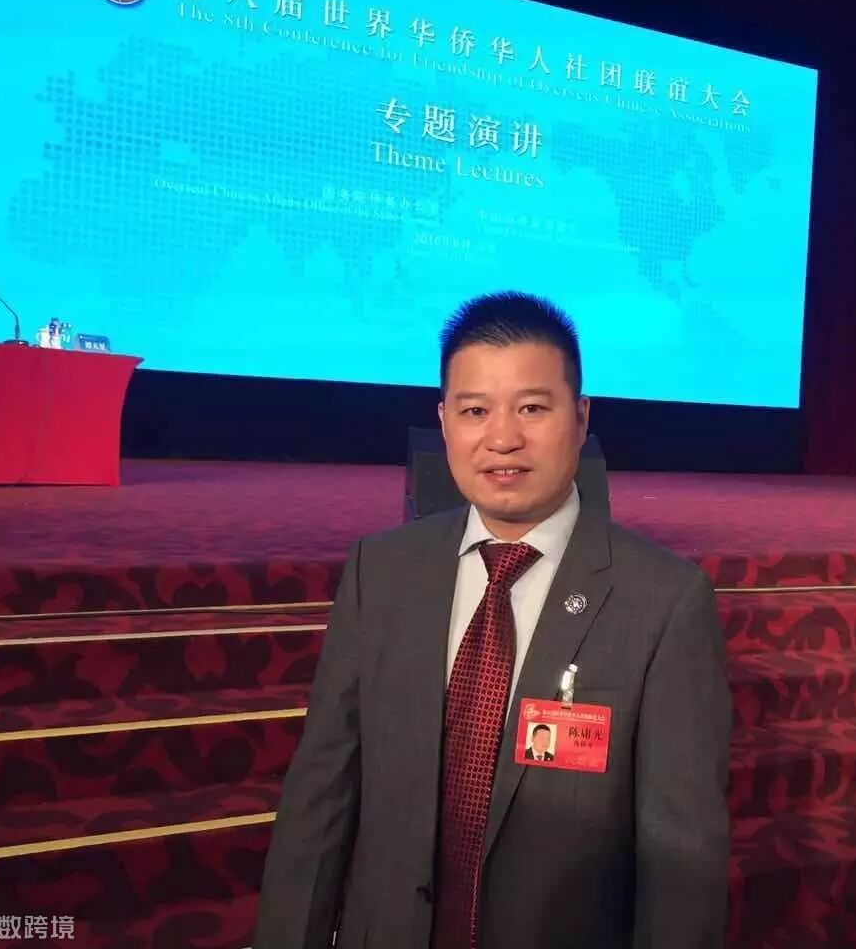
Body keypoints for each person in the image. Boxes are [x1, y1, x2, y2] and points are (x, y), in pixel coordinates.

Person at [253, 292, 731, 949]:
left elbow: (682, 861)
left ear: (581, 418)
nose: (502, 438)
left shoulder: (665, 601)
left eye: (532, 408)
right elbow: (322, 791)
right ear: (444, 421)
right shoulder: (380, 571)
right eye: (475, 410)